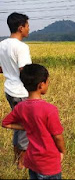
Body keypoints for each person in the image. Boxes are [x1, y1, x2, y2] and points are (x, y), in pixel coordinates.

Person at [2, 64, 66, 179]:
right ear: (41, 85)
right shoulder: (50, 109)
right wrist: (62, 151)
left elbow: (5, 123)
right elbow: (57, 136)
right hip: (49, 163)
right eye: (47, 82)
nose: (48, 84)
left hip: (32, 160)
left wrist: (25, 127)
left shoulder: (20, 107)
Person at [0, 12, 32, 169]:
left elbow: (1, 68)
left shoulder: (2, 44)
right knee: (26, 128)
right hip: (21, 92)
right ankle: (21, 163)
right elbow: (24, 72)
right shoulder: (22, 47)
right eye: (27, 25)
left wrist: (8, 70)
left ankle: (16, 159)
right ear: (21, 28)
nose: (29, 28)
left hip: (9, 90)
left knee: (19, 125)